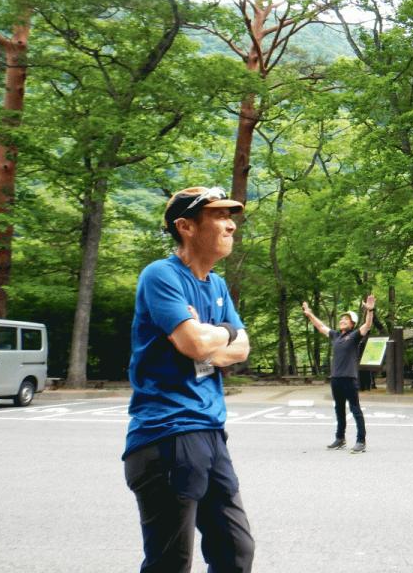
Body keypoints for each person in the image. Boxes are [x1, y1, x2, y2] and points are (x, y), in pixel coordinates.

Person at [123, 186, 255, 573]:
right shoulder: (161, 275)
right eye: (219, 216)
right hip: (166, 434)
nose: (230, 225)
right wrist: (224, 331)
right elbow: (194, 344)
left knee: (236, 552)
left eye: (230, 217)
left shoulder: (216, 284)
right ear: (186, 226)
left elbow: (242, 348)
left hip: (211, 432)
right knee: (170, 563)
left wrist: (213, 336)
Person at [301, 295, 375, 453]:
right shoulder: (335, 335)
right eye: (342, 319)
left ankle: (361, 441)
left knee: (355, 409)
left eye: (346, 319)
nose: (342, 320)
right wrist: (310, 314)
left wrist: (370, 310)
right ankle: (340, 438)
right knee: (339, 409)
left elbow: (367, 325)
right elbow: (321, 326)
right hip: (336, 378)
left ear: (352, 323)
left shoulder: (354, 336)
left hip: (349, 378)